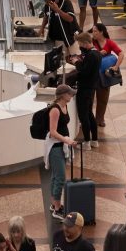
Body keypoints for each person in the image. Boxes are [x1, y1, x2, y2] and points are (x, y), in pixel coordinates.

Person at [43, 84, 78, 214]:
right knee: (60, 178)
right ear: (63, 95)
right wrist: (66, 140)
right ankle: (57, 208)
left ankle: (54, 203)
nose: (72, 95)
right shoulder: (55, 110)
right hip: (55, 148)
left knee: (55, 177)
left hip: (61, 146)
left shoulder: (65, 106)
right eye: (70, 93)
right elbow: (52, 132)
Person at [71, 31, 102, 147]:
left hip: (85, 88)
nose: (79, 46)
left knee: (83, 116)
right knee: (89, 114)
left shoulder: (90, 56)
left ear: (84, 43)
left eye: (80, 44)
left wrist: (76, 62)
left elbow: (84, 72)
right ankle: (95, 140)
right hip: (92, 87)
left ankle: (87, 142)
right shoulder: (97, 53)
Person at [91, 23, 123, 128]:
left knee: (103, 99)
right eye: (93, 31)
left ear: (101, 32)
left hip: (104, 75)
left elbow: (121, 53)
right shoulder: (91, 42)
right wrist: (99, 53)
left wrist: (116, 66)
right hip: (93, 74)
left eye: (95, 31)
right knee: (90, 99)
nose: (93, 33)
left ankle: (100, 118)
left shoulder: (109, 43)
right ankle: (89, 119)